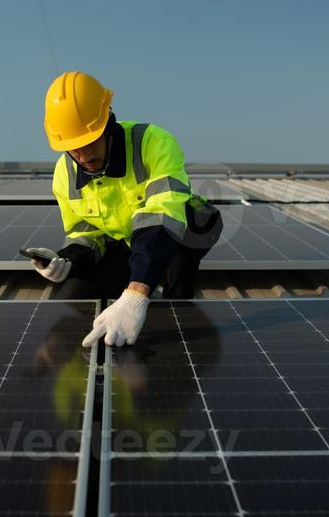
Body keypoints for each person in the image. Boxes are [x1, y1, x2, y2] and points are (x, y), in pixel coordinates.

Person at [30, 71, 223, 347]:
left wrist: (135, 294)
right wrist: (67, 261)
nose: (84, 156)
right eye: (74, 148)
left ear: (108, 122)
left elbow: (163, 216)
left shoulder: (153, 143)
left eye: (90, 141)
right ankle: (138, 292)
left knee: (188, 227)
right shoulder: (65, 174)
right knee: (72, 291)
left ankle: (175, 302)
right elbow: (84, 232)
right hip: (127, 240)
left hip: (182, 227)